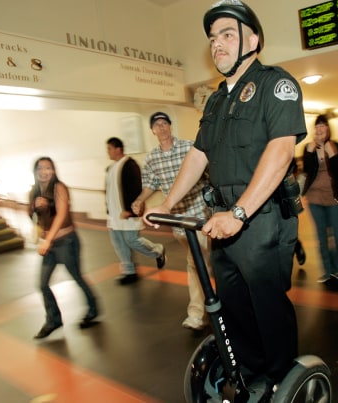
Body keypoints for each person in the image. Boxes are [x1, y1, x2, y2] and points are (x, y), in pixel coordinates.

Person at [143, 0, 306, 390]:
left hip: (261, 218)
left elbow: (281, 151)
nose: (217, 44)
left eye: (228, 35)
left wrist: (239, 211)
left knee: (266, 306)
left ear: (253, 40)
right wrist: (167, 204)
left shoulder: (275, 84)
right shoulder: (215, 100)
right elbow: (199, 156)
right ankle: (250, 375)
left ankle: (282, 380)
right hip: (221, 220)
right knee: (232, 307)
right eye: (213, 38)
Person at [131, 112, 211, 331]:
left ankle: (197, 313)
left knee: (197, 262)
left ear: (170, 126)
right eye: (157, 124)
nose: (162, 127)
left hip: (200, 214)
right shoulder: (151, 158)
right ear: (153, 131)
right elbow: (150, 183)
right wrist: (139, 200)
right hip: (177, 219)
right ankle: (212, 304)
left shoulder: (189, 147)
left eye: (165, 123)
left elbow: (207, 172)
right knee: (199, 262)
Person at [29, 157, 98, 339]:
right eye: (40, 168)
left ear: (54, 170)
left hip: (66, 242)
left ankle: (93, 308)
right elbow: (33, 217)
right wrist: (35, 210)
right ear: (35, 171)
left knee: (77, 276)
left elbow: (61, 215)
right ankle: (54, 320)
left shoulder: (60, 188)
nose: (44, 171)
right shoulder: (33, 191)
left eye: (48, 168)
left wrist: (47, 240)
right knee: (42, 284)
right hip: (50, 246)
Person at [105, 137, 166, 286]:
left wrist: (130, 210)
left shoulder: (130, 165)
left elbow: (136, 189)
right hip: (114, 215)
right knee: (119, 243)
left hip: (128, 214)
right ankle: (129, 272)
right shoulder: (111, 168)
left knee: (131, 240)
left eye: (109, 149)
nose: (108, 152)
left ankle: (157, 250)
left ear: (118, 149)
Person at [301, 114, 338, 282]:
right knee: (321, 236)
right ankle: (326, 271)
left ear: (328, 129)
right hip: (314, 198)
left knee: (336, 235)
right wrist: (309, 153)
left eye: (323, 126)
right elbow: (307, 171)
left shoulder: (336, 147)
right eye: (317, 126)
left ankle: (337, 268)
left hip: (334, 197)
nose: (320, 129)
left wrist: (332, 155)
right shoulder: (309, 147)